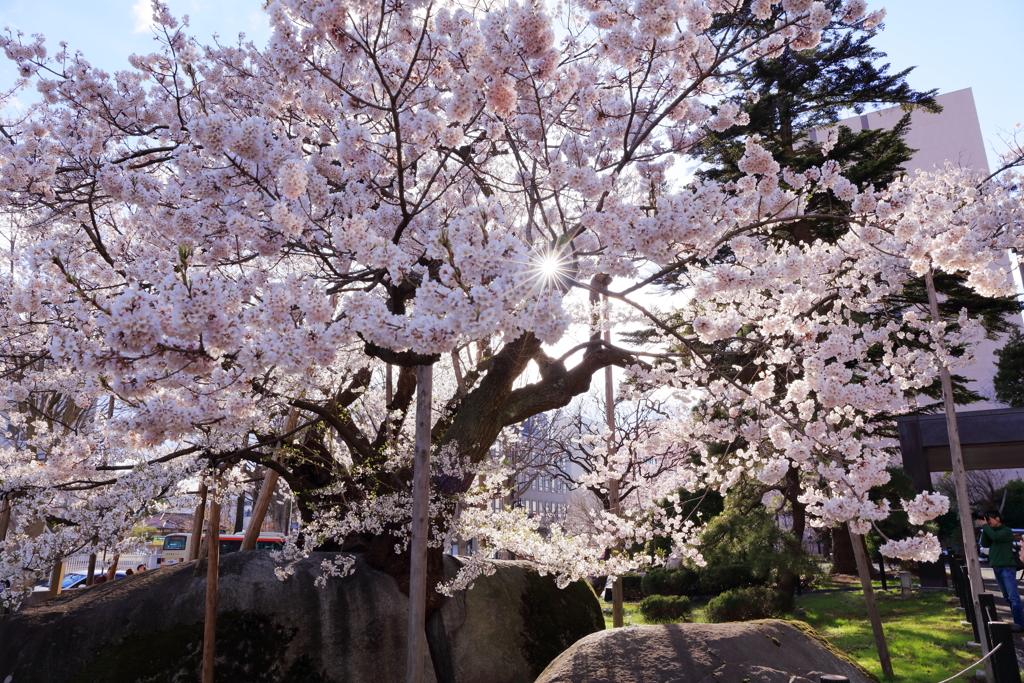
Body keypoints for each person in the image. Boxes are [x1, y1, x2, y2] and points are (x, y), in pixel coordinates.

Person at [979, 509, 1024, 632]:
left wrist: (985, 526)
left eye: (989, 519)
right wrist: (985, 528)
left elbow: (995, 537)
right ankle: (1019, 621)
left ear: (997, 518)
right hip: (997, 567)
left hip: (1007, 568)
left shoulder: (1006, 531)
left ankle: (1020, 624)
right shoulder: (992, 531)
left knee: (1013, 597)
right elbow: (984, 542)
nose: (988, 522)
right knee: (1007, 597)